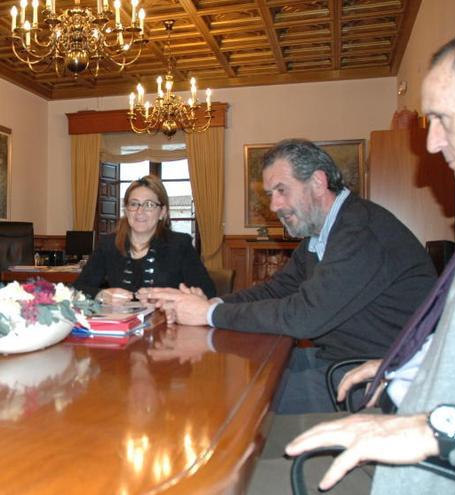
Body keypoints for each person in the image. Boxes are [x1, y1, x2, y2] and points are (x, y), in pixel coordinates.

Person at [284, 25, 455, 493]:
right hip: (394, 414)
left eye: (442, 118)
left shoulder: (361, 228)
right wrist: (409, 362)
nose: (431, 143)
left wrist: (436, 429)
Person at [144, 139, 437, 414]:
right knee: (232, 373)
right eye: (271, 195)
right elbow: (278, 288)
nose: (274, 206)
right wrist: (213, 302)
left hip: (379, 375)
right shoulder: (322, 233)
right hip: (338, 358)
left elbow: (304, 317)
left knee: (234, 399)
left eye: (282, 190)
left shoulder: (359, 232)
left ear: (318, 182)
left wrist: (210, 313)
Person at [73, 174, 215, 304]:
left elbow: (208, 293)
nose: (140, 211)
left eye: (149, 205)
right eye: (134, 204)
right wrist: (101, 295)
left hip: (167, 326)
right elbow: (76, 289)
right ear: (126, 210)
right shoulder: (108, 245)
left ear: (163, 212)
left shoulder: (180, 245)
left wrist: (171, 297)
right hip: (119, 327)